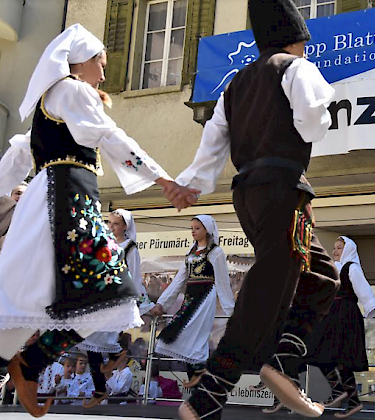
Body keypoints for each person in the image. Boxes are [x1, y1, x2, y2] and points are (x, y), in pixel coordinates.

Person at [0, 23, 195, 417]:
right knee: (113, 293)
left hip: (56, 205)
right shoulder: (71, 90)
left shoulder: (46, 106)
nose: (104, 74)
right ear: (80, 63)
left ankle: (27, 364)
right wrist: (163, 179)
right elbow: (110, 136)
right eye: (100, 64)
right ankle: (30, 363)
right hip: (66, 205)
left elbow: (14, 164)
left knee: (42, 297)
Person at [168, 0, 340, 418]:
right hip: (283, 187)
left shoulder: (236, 84)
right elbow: (312, 124)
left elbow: (212, 147)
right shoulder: (296, 68)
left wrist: (189, 185)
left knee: (320, 275)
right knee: (267, 291)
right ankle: (209, 395)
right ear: (298, 39)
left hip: (247, 192)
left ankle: (281, 364)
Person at [79, 208, 154, 408]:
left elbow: (135, 278)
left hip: (115, 299)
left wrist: (142, 304)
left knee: (96, 338)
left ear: (125, 227)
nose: (112, 227)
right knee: (90, 341)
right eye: (109, 223)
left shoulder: (130, 248)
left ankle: (113, 360)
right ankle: (101, 386)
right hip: (99, 297)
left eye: (116, 224)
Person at [301, 236, 375, 418]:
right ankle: (342, 393)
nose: (335, 251)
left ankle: (349, 399)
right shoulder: (334, 270)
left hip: (345, 314)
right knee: (319, 352)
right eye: (335, 248)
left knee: (340, 356)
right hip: (331, 314)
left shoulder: (351, 268)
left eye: (339, 248)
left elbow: (364, 291)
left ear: (348, 250)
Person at [150, 216, 235, 387]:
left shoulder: (215, 253)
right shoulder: (191, 253)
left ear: (207, 230)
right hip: (190, 299)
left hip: (205, 298)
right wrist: (162, 303)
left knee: (193, 335)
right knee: (174, 334)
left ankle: (198, 373)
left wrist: (231, 312)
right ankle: (198, 373)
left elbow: (223, 283)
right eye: (192, 228)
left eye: (197, 228)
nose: (193, 231)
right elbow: (178, 281)